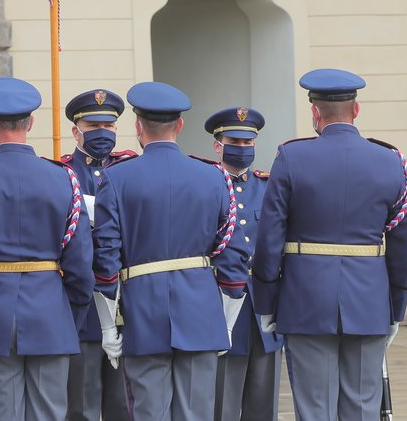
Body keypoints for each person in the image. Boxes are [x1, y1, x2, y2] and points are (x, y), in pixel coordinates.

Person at [252, 69, 407, 420]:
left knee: (314, 409)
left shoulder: (291, 158)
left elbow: (269, 239)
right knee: (362, 407)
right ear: (356, 110)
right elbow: (404, 243)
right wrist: (395, 306)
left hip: (305, 301)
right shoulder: (390, 161)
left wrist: (267, 301)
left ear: (315, 113)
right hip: (370, 301)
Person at [92, 81, 249, 421]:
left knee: (149, 413)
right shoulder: (213, 178)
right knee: (197, 413)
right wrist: (225, 325)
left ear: (137, 127)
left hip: (144, 313)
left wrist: (107, 328)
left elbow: (105, 263)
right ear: (180, 125)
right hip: (202, 312)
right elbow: (234, 262)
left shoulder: (116, 179)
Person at [0, 77, 94, 421]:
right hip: (50, 310)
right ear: (30, 123)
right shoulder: (63, 178)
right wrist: (69, 316)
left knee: (1, 414)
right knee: (49, 413)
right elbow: (80, 264)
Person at [201, 107, 283, 421]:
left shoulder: (268, 187)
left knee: (264, 408)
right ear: (217, 145)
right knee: (222, 404)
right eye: (235, 141)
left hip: (265, 305)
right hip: (221, 304)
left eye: (249, 143)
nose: (243, 148)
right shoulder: (206, 185)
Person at [61, 89, 136, 421]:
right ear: (76, 130)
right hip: (80, 307)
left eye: (109, 124)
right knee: (82, 403)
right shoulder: (61, 175)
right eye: (93, 125)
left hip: (128, 301)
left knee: (125, 404)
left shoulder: (131, 170)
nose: (103, 131)